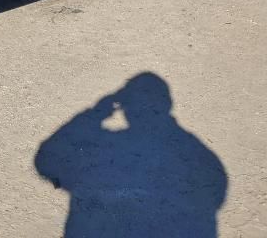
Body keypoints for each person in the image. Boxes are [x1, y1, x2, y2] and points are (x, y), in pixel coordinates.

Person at [35, 72, 227, 237]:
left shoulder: (106, 146)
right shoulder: (203, 157)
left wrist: (96, 112)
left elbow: (45, 160)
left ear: (125, 108)